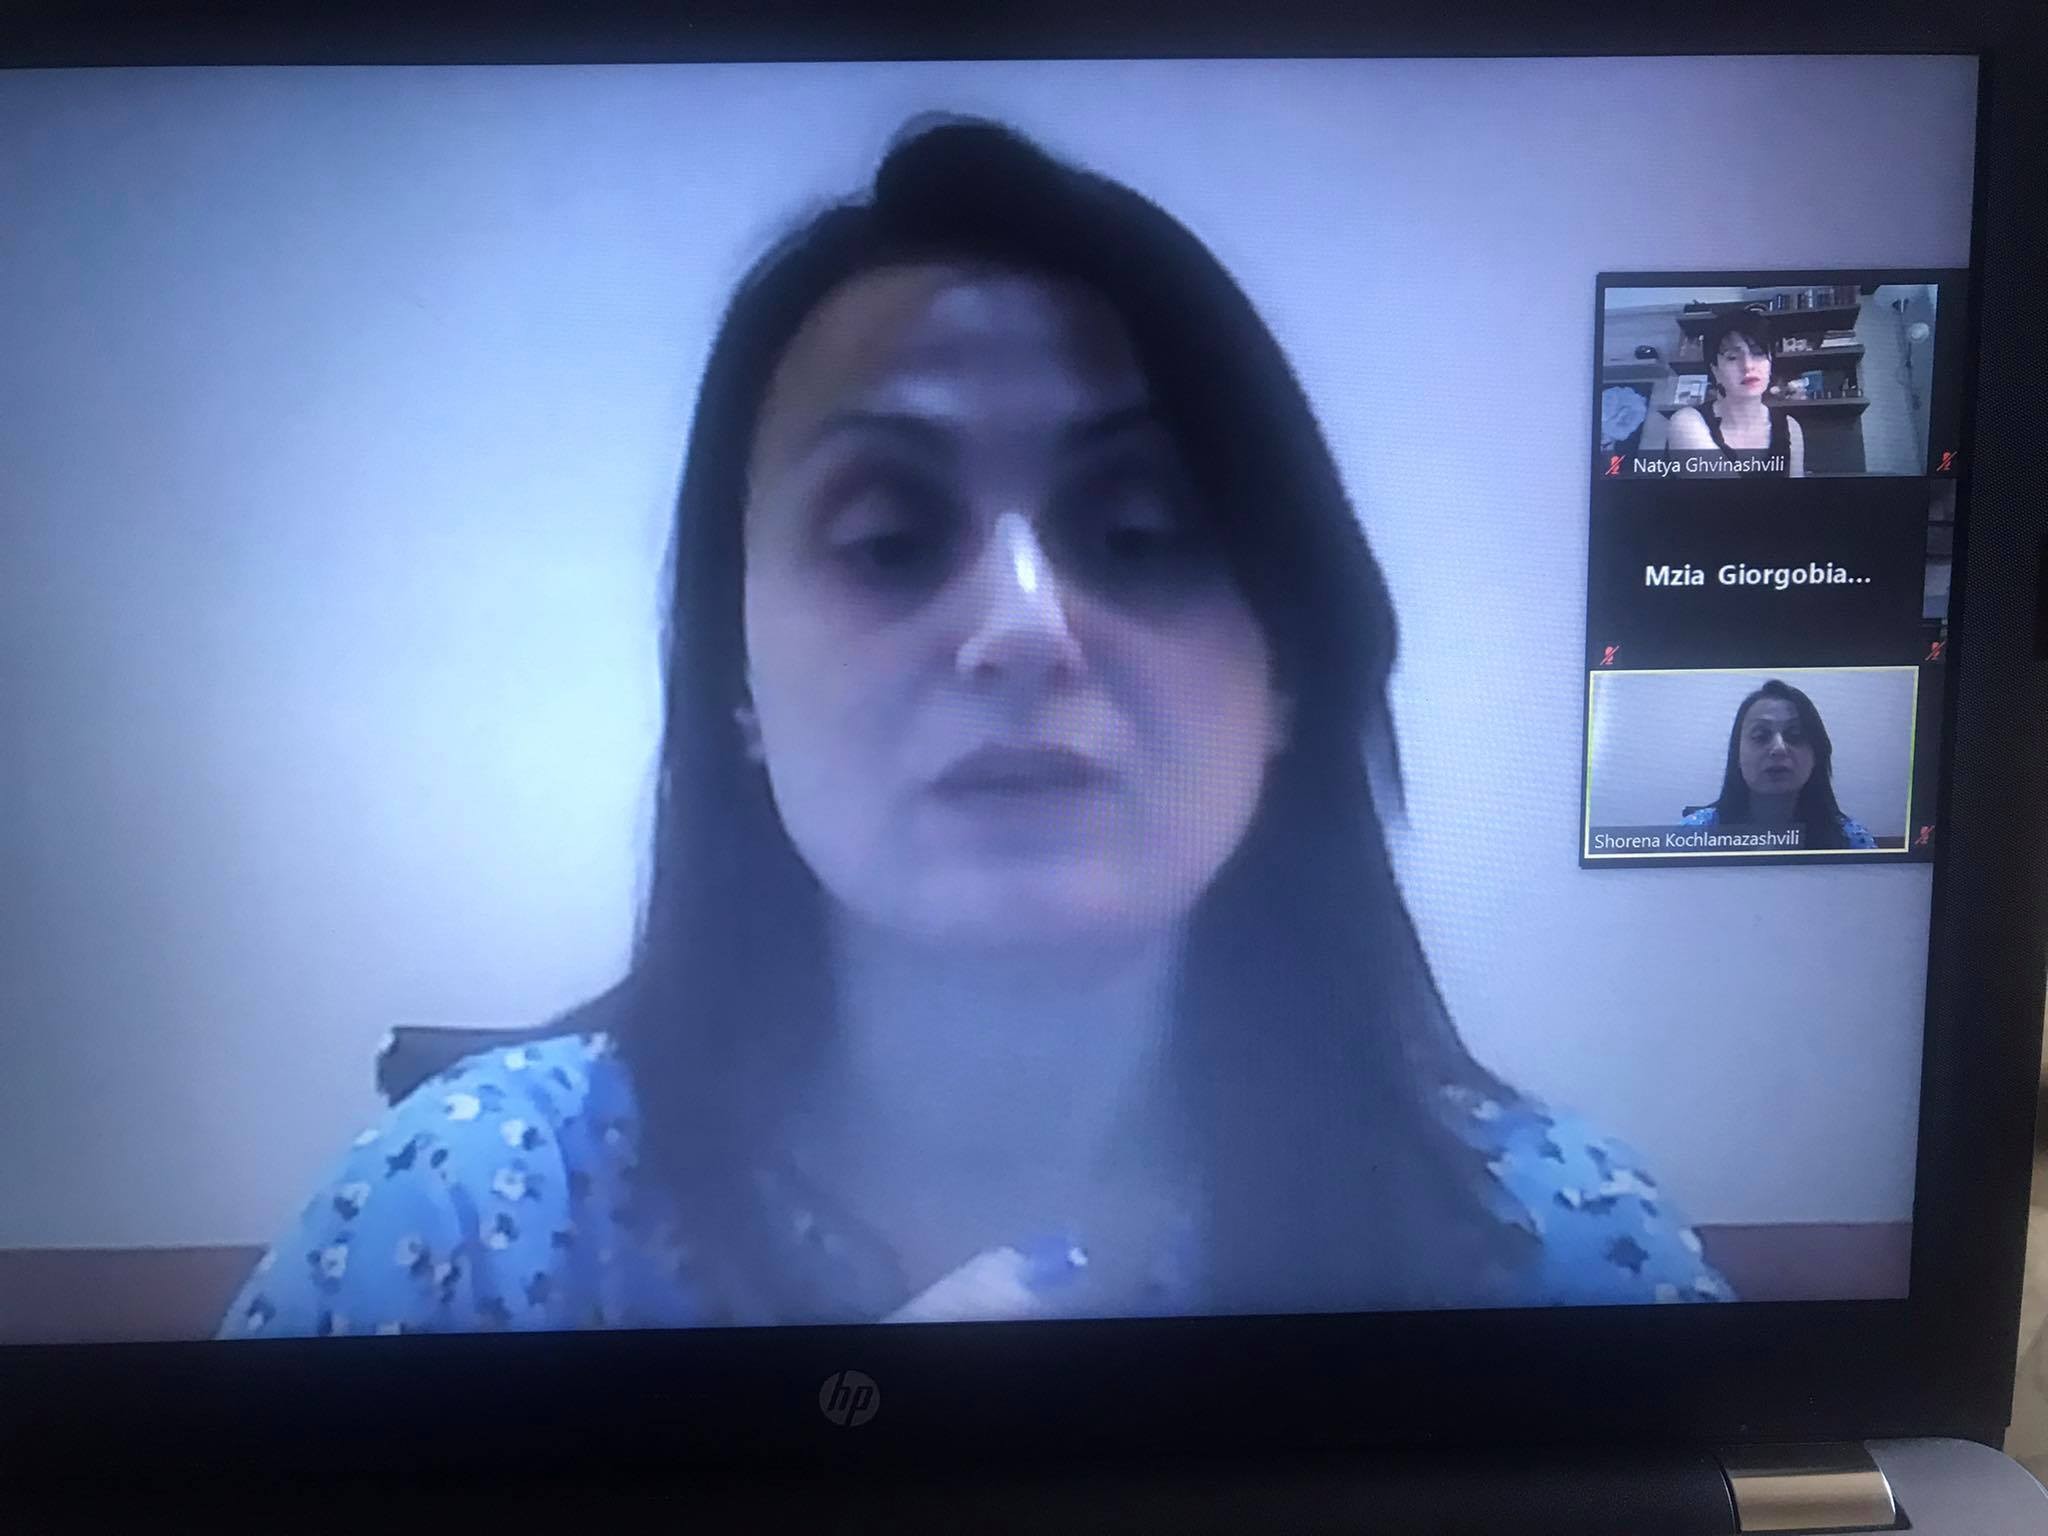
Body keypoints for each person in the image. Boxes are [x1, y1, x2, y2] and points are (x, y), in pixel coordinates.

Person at [220, 118, 1731, 1341]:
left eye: (1137, 531)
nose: (1022, 626)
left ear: (1288, 671)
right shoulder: (462, 1227)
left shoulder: (1557, 1249)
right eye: (887, 538)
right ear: (736, 687)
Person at [1681, 679, 1876, 849]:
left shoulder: (1851, 839)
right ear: (1737, 755)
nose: (1779, 748)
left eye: (1795, 735)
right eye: (1760, 735)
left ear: (1816, 755)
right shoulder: (1694, 833)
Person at [1665, 306, 1805, 477]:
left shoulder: (1790, 427)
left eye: (1758, 353)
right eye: (1732, 357)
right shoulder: (1687, 422)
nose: (1748, 366)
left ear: (1770, 362)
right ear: (1715, 370)